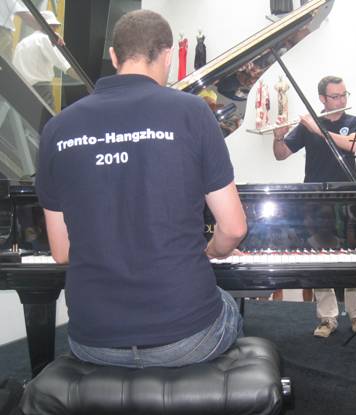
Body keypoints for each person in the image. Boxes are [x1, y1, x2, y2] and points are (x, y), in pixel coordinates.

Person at [35, 10, 247, 368]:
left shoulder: (58, 128)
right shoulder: (192, 112)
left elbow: (61, 252)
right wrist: (211, 250)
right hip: (186, 338)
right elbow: (234, 229)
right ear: (167, 55)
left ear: (114, 56)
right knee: (227, 304)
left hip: (92, 341)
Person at [273, 75, 356, 338]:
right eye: (335, 96)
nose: (341, 100)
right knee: (320, 255)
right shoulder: (308, 124)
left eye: (344, 95)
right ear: (323, 99)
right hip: (315, 199)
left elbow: (354, 145)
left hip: (348, 198)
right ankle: (327, 318)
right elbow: (281, 155)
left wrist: (318, 129)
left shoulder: (354, 122)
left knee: (353, 256)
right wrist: (278, 138)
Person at [12, 10, 76, 108]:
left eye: (56, 26)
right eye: (53, 26)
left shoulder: (22, 43)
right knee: (46, 116)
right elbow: (66, 66)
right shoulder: (44, 39)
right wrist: (86, 82)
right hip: (41, 90)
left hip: (21, 90)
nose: (55, 29)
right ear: (44, 26)